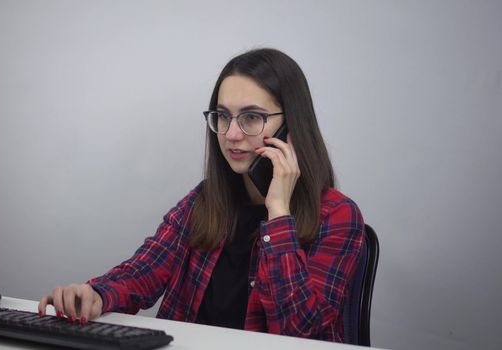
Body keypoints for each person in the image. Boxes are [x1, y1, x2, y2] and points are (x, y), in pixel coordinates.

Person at [38, 48, 365, 342]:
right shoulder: (204, 201)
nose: (232, 134)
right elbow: (144, 271)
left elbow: (299, 333)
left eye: (251, 117)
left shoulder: (338, 216)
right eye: (222, 116)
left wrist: (278, 211)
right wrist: (95, 294)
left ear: (292, 124)